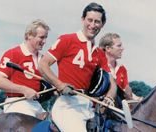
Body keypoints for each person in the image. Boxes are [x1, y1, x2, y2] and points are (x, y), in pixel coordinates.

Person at [38, 2, 117, 132]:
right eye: (89, 20)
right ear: (82, 20)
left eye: (97, 22)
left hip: (88, 107)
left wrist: (109, 97)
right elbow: (43, 65)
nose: (92, 25)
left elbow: (112, 83)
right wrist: (59, 84)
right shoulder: (67, 40)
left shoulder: (99, 54)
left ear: (102, 24)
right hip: (68, 107)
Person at [0, 19, 50, 119]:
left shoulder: (43, 59)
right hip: (17, 103)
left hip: (36, 105)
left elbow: (48, 83)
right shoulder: (13, 53)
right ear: (29, 35)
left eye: (46, 38)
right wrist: (23, 89)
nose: (44, 41)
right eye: (41, 37)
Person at [99, 33, 133, 102]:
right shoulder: (98, 65)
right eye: (119, 46)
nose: (122, 48)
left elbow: (126, 93)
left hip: (114, 110)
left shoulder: (122, 69)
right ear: (108, 48)